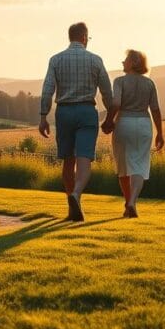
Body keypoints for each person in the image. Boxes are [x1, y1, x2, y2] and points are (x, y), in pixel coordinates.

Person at [38, 22, 113, 222]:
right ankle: (77, 194)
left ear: (69, 37)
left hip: (64, 112)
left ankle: (72, 207)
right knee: (84, 158)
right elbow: (107, 92)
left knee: (68, 160)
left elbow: (47, 89)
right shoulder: (95, 60)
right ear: (84, 37)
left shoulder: (56, 60)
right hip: (87, 111)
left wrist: (43, 116)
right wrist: (110, 118)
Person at [101, 49, 164, 218]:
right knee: (139, 165)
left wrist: (108, 121)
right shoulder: (149, 84)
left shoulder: (120, 81)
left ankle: (128, 201)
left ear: (134, 63)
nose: (123, 62)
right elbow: (156, 110)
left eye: (126, 60)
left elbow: (116, 103)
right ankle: (132, 202)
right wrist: (160, 133)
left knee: (123, 167)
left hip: (124, 123)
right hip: (144, 124)